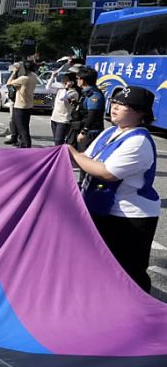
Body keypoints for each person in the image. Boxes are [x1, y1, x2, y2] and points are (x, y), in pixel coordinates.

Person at [67, 86, 159, 293]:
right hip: (102, 209)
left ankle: (142, 316)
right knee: (101, 265)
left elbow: (107, 172)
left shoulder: (138, 141)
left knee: (129, 272)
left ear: (141, 112)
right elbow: (86, 160)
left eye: (123, 105)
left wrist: (71, 152)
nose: (115, 107)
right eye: (114, 102)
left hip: (129, 217)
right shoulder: (110, 132)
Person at [5, 60, 37, 148]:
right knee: (25, 125)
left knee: (21, 127)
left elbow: (8, 83)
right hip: (28, 104)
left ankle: (26, 144)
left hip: (20, 105)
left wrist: (14, 73)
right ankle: (23, 142)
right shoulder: (34, 76)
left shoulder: (24, 79)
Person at [75, 67, 105, 152]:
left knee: (86, 157)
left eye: (78, 78)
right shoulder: (86, 92)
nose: (77, 81)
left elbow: (93, 114)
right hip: (85, 130)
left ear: (83, 80)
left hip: (91, 132)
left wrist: (84, 132)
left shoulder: (94, 94)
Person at [48, 71, 80, 146]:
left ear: (71, 82)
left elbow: (62, 98)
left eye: (65, 79)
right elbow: (48, 88)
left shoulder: (74, 93)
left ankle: (60, 156)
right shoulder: (61, 90)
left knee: (58, 142)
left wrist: (66, 88)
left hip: (63, 120)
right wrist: (52, 76)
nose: (63, 80)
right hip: (54, 118)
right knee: (56, 141)